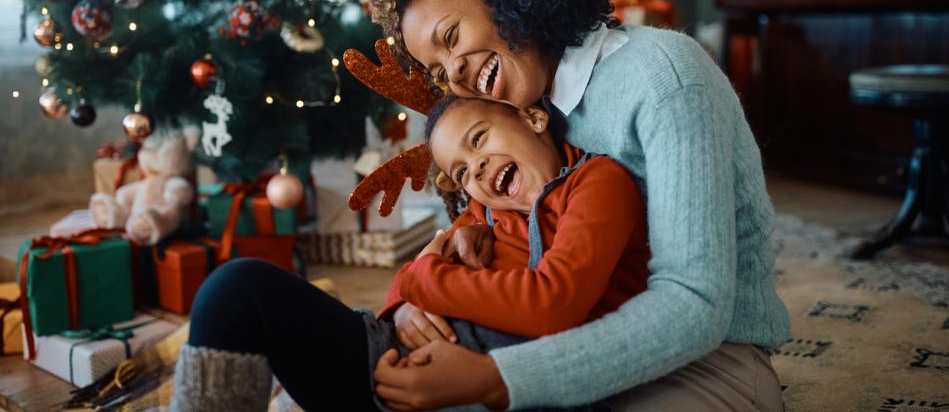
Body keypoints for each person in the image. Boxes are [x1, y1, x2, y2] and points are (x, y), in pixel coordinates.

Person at [366, 0, 790, 411]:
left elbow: (695, 306)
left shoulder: (665, 78)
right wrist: (408, 304)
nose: (452, 75)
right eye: (437, 71)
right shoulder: (523, 105)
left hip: (707, 360)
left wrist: (499, 379)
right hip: (562, 338)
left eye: (451, 38)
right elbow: (464, 237)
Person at [171, 94, 650, 411]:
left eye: (479, 138)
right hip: (390, 362)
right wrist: (403, 304)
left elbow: (554, 303)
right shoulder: (485, 207)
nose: (477, 171)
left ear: (534, 117)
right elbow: (412, 278)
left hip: (495, 385)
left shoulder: (596, 182)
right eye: (461, 174)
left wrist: (423, 277)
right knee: (236, 288)